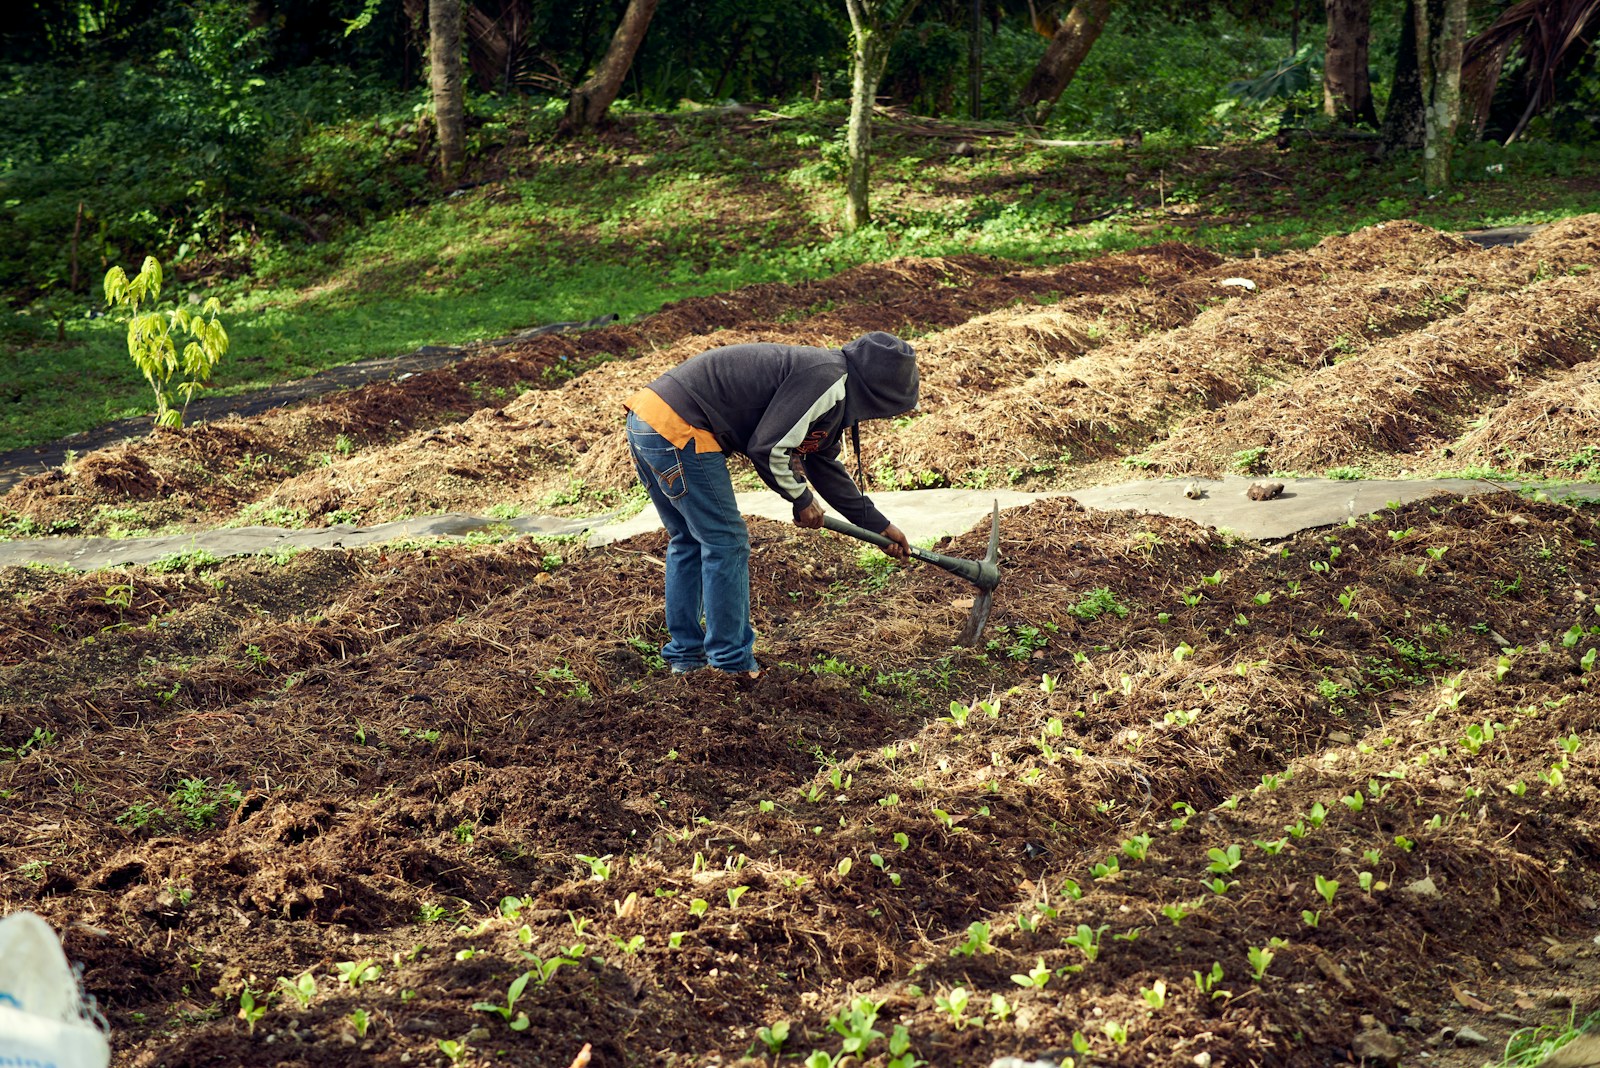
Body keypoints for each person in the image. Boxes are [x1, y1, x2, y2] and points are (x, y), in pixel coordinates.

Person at [624, 332, 918, 679]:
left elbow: (821, 464)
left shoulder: (832, 387)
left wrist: (878, 526)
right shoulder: (827, 379)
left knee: (690, 540)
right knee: (725, 541)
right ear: (880, 392)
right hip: (681, 427)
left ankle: (687, 657)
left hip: (648, 419)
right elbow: (770, 448)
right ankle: (730, 663)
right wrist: (801, 499)